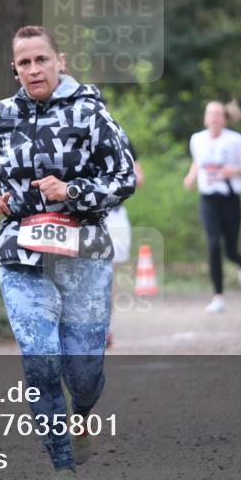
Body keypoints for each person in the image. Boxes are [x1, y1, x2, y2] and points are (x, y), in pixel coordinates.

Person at [0, 25, 135, 480]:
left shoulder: (90, 112)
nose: (34, 69)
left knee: (83, 373)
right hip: (21, 255)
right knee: (39, 360)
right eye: (24, 63)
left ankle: (82, 414)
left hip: (83, 255)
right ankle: (63, 471)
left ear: (60, 61)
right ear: (14, 69)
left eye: (41, 59)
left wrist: (72, 191)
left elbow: (124, 178)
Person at [184, 100, 241, 313]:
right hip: (208, 199)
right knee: (213, 243)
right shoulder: (197, 139)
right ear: (205, 118)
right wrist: (191, 176)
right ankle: (218, 296)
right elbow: (198, 161)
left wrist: (234, 171)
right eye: (210, 114)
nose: (214, 118)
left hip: (230, 198)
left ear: (224, 119)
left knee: (231, 250)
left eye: (218, 114)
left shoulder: (235, 140)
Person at [105, 130, 143, 348]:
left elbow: (139, 177)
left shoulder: (119, 135)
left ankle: (105, 328)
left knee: (109, 271)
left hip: (114, 214)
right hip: (79, 217)